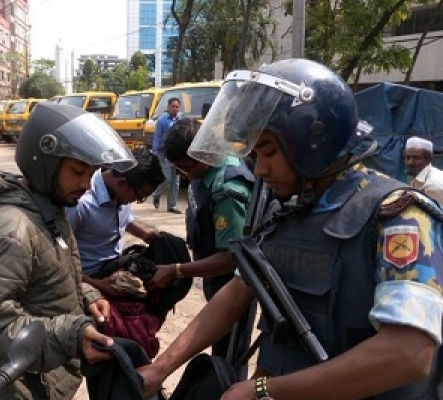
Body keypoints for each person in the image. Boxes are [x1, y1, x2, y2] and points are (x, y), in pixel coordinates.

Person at [139, 58, 443, 400]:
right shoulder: (288, 208)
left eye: (268, 151)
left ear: (314, 141)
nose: (261, 168)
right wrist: (162, 366)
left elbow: (409, 354)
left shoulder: (398, 214)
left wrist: (263, 390)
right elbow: (239, 291)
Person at [0, 103, 137, 400]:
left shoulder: (49, 211)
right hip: (11, 391)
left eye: (91, 173)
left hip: (39, 384)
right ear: (43, 162)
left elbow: (51, 275)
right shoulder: (10, 231)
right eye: (78, 171)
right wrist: (72, 335)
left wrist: (87, 298)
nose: (85, 184)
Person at [146, 117, 254, 358]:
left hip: (232, 288)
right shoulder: (200, 175)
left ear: (201, 155)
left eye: (184, 166)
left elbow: (232, 258)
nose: (180, 173)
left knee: (227, 358)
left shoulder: (228, 189)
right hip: (213, 279)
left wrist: (176, 270)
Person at [66, 150, 165, 287]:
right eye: (139, 197)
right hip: (87, 278)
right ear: (122, 183)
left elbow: (124, 219)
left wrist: (144, 234)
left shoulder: (120, 195)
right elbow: (57, 257)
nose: (136, 201)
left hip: (115, 266)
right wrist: (97, 285)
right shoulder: (80, 204)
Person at [151, 97, 182, 214]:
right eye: (173, 106)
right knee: (167, 178)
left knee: (176, 181)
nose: (175, 109)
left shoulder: (179, 120)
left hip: (176, 154)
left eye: (177, 107)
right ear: (168, 107)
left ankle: (171, 206)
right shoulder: (162, 120)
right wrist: (155, 152)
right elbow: (157, 137)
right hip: (164, 153)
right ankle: (156, 195)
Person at [404, 136, 443, 206]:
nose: (410, 162)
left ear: (429, 159)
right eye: (407, 157)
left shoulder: (433, 186)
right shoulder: (416, 173)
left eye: (416, 158)